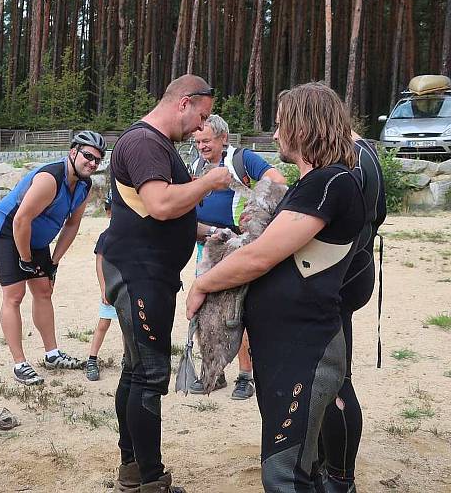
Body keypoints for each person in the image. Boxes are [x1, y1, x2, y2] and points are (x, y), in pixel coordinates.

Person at [186, 82, 366, 492]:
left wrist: (203, 284)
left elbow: (260, 256)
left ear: (304, 127)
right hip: (288, 346)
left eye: (282, 123)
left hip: (306, 348)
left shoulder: (330, 183)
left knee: (285, 475)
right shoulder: (314, 183)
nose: (275, 133)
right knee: (294, 466)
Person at [101, 74, 232, 493]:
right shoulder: (144, 143)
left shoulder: (156, 145)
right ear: (184, 102)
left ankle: (133, 469)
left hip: (143, 271)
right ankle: (150, 480)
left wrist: (209, 231)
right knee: (149, 376)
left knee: (135, 370)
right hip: (141, 275)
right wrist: (210, 181)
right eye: (202, 116)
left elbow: (156, 210)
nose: (200, 128)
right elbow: (159, 204)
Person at [0, 130, 106, 386]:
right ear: (73, 152)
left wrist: (54, 262)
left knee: (43, 290)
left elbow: (72, 226)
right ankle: (20, 363)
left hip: (34, 236)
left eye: (98, 159)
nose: (92, 163)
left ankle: (52, 354)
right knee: (14, 295)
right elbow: (20, 220)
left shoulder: (84, 185)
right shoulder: (50, 179)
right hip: (8, 231)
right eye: (88, 156)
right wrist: (26, 260)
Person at [188, 114, 286, 400]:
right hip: (206, 246)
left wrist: (255, 209)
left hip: (238, 246)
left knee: (236, 309)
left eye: (206, 141)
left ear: (223, 138)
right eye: (197, 141)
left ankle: (245, 376)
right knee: (206, 308)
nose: (201, 146)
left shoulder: (242, 158)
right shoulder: (196, 164)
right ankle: (213, 372)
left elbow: (277, 180)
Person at [318, 132, 386, 493]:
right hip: (357, 269)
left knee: (336, 381)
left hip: (343, 277)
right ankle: (325, 467)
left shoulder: (350, 159)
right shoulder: (365, 152)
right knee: (328, 377)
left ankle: (341, 479)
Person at [85, 193, 116, 382]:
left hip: (127, 288)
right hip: (111, 287)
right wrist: (104, 288)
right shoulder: (106, 237)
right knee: (104, 322)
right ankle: (92, 359)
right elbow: (99, 263)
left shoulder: (132, 235)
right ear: (108, 213)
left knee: (127, 326)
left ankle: (126, 359)